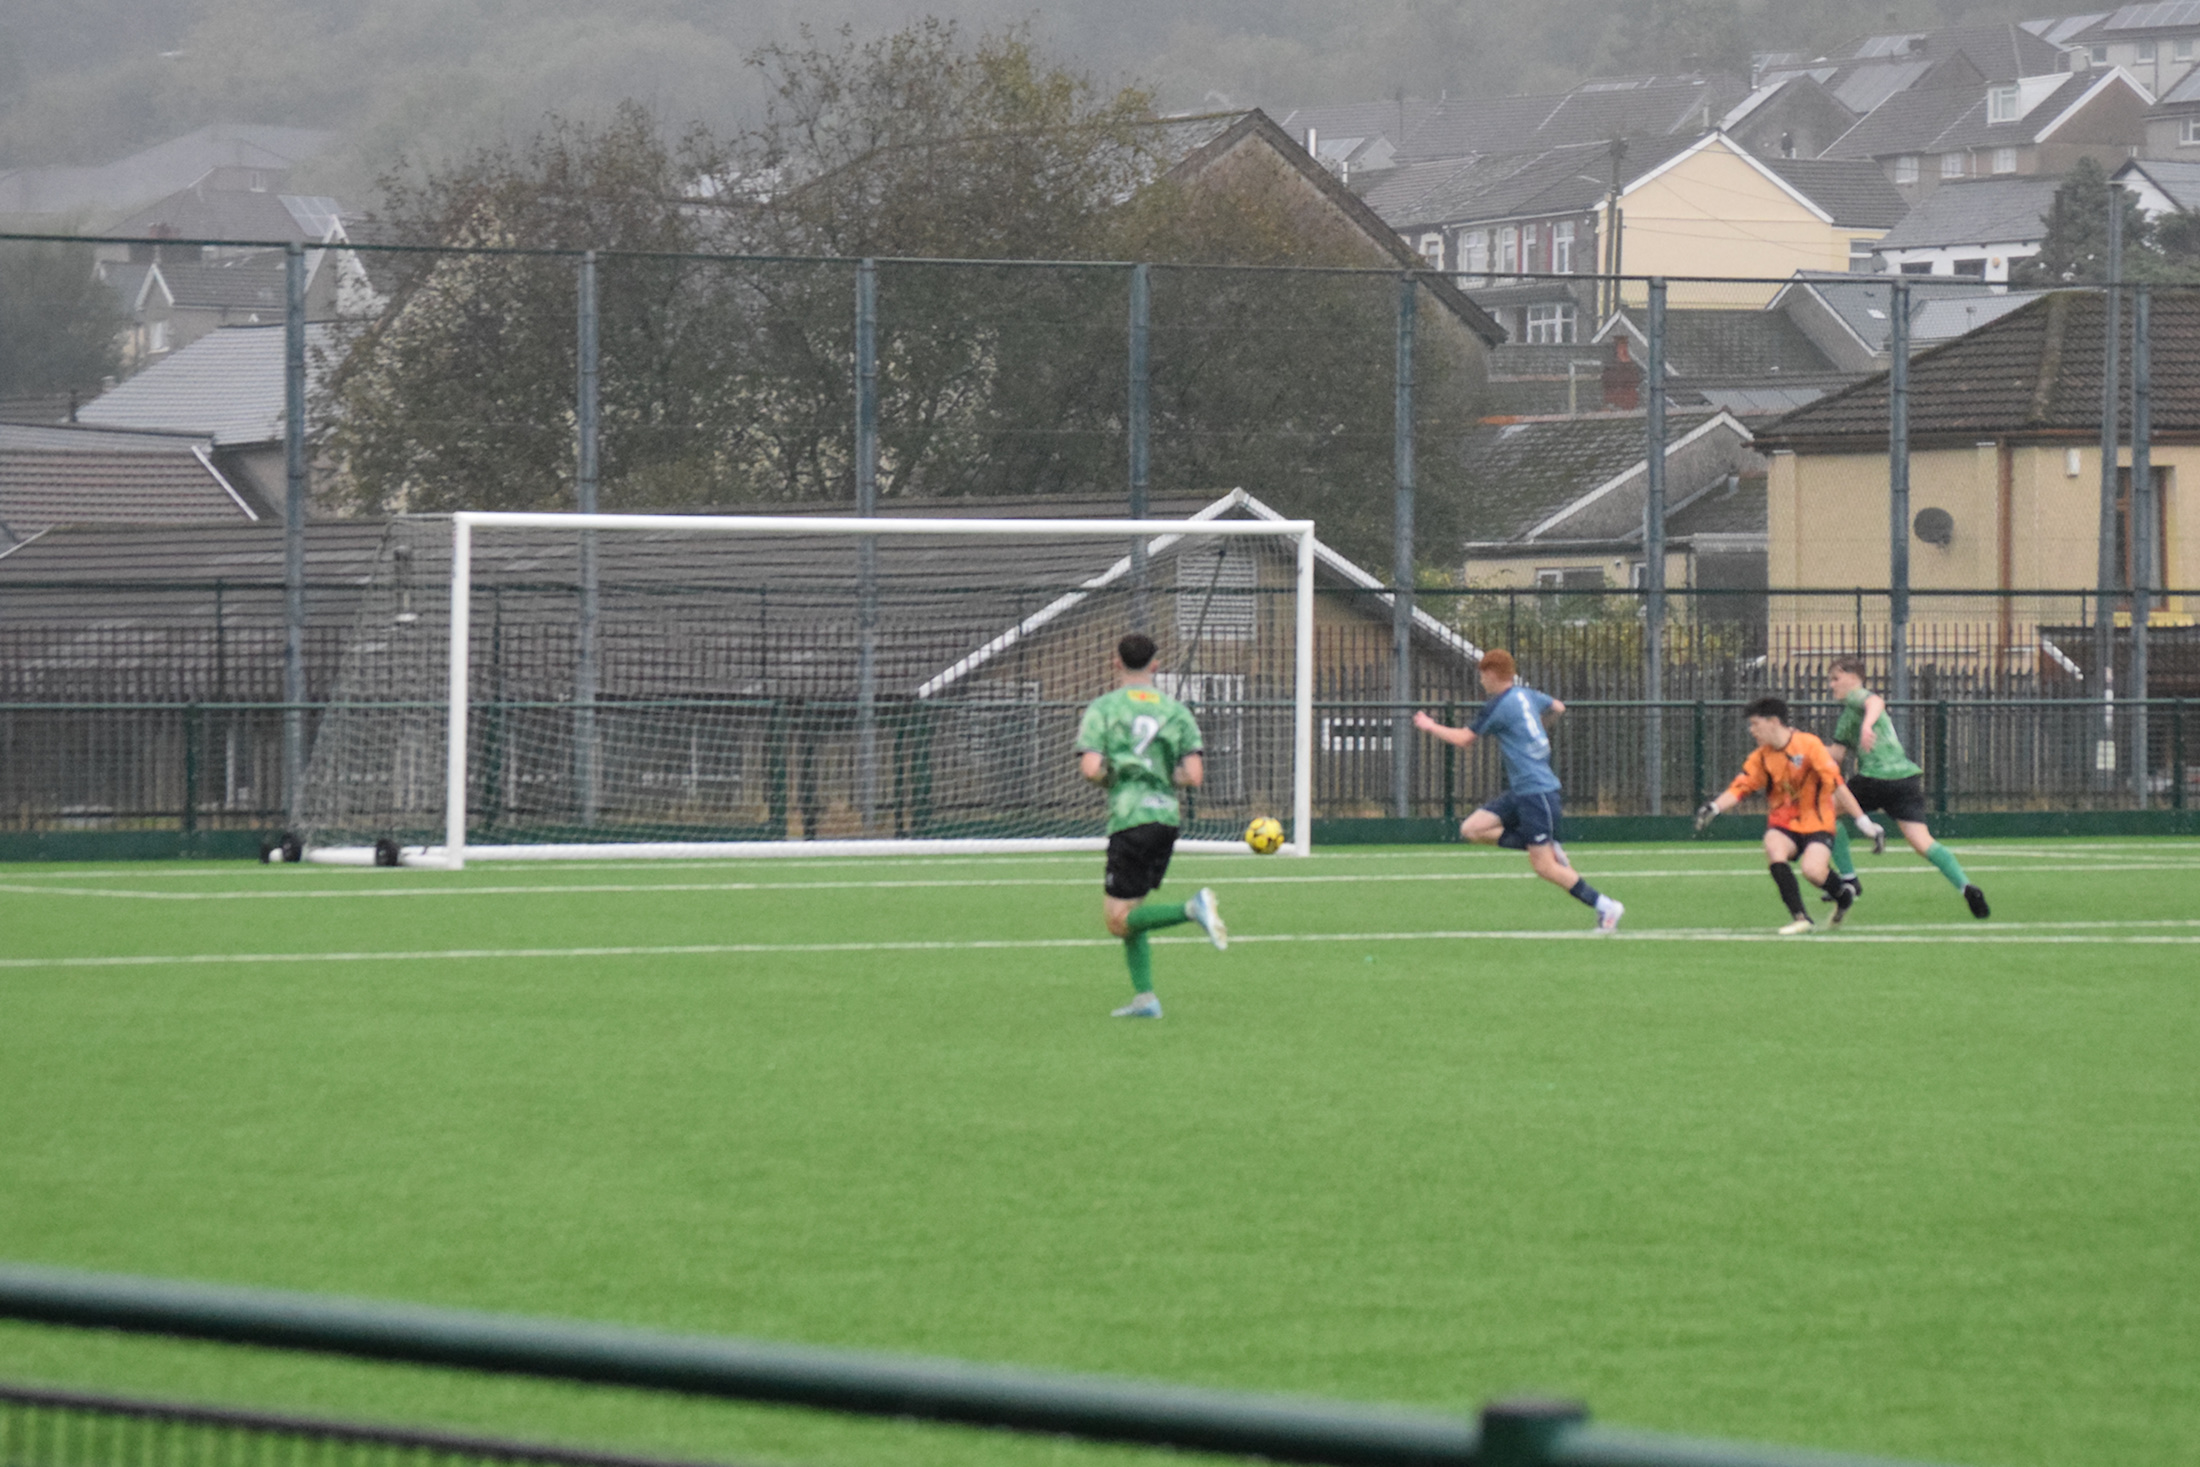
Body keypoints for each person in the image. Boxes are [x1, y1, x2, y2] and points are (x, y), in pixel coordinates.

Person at [1412, 649, 1623, 933]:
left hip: (1537, 792)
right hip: (1522, 791)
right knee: (1472, 829)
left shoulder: (1499, 705)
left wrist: (1429, 725)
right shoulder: (1526, 695)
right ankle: (1545, 845)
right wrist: (1537, 730)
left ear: (1491, 674)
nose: (1481, 680)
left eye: (1482, 675)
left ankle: (1605, 906)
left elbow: (1463, 739)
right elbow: (1558, 707)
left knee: (1544, 868)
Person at [1076, 633, 1226, 1019]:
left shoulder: (1104, 708)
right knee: (1131, 912)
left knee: (1117, 921)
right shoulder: (1176, 712)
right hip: (1166, 820)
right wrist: (1160, 777)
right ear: (1156, 665)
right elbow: (1193, 776)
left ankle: (1191, 909)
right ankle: (1146, 999)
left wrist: (1118, 778)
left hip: (1130, 818)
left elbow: (1090, 769)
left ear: (1116, 662)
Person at [1825, 657, 1990, 920]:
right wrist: (1801, 750)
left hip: (1875, 777)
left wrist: (1867, 726)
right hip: (1904, 779)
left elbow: (1875, 701)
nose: (1831, 685)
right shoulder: (1847, 715)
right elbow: (1835, 755)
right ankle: (1966, 886)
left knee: (1823, 811)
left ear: (1853, 677)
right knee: (1922, 842)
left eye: (1836, 678)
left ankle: (1849, 879)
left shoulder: (1858, 696)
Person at [1695, 697, 1856, 934]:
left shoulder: (1809, 745)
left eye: (1755, 724)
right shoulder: (1761, 756)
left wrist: (1862, 820)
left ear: (1773, 722)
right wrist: (1715, 807)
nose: (1752, 730)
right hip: (1784, 823)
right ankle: (1801, 917)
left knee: (1813, 871)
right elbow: (1741, 787)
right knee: (1774, 846)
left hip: (1817, 822)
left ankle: (1843, 896)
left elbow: (1836, 782)